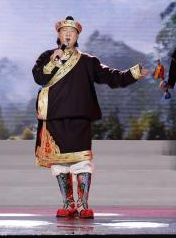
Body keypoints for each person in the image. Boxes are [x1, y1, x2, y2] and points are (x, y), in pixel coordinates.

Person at [30, 16, 146, 219]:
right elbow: (39, 77)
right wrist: (53, 60)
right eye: (64, 31)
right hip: (54, 117)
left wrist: (134, 73)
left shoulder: (87, 61)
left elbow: (111, 76)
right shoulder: (47, 56)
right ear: (58, 35)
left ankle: (83, 204)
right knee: (60, 163)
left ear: (77, 36)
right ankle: (68, 203)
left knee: (81, 161)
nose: (68, 34)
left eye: (72, 32)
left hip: (79, 118)